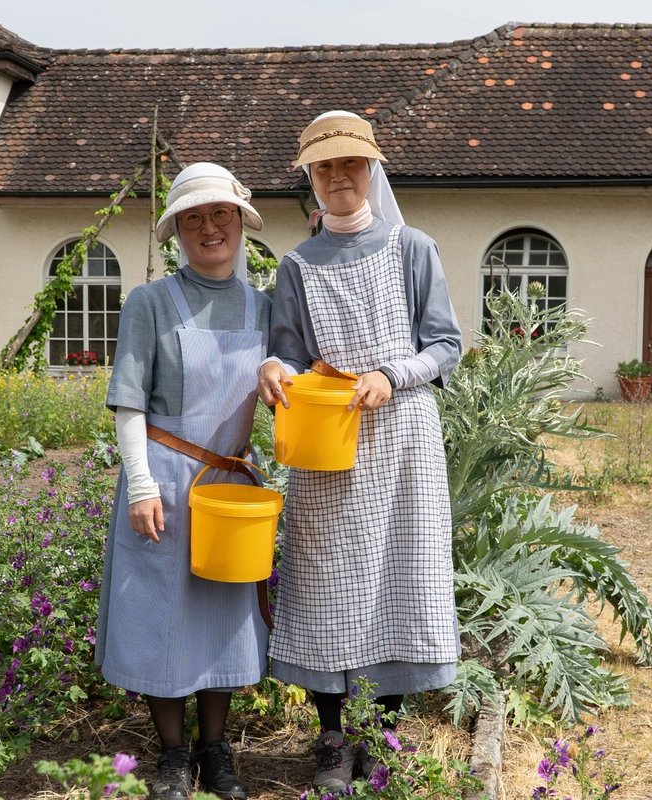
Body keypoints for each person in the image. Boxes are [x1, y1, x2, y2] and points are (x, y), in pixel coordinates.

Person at [257, 111, 463, 790]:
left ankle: (380, 732)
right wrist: (274, 371)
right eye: (325, 168)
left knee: (400, 581)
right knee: (325, 583)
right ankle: (330, 740)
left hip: (403, 437)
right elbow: (285, 349)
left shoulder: (413, 248)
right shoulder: (296, 265)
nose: (339, 177)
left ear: (372, 169)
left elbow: (446, 346)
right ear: (310, 179)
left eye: (350, 164)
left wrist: (391, 374)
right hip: (327, 444)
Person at [96, 162, 271, 800]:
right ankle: (173, 756)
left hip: (231, 486)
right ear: (177, 231)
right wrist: (140, 483)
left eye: (220, 213)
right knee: (160, 615)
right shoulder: (149, 301)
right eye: (193, 218)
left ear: (240, 222)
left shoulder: (265, 303)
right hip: (165, 482)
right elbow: (129, 404)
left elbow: (287, 369)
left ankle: (215, 749)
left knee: (222, 611)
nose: (209, 228)